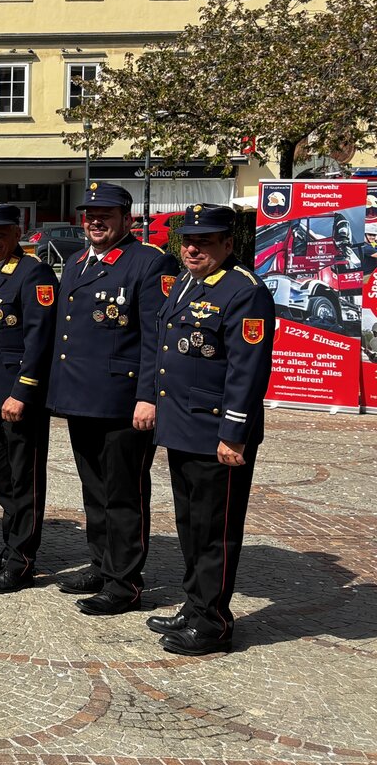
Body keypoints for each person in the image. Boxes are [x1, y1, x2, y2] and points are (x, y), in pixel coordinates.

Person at [47, 182, 180, 617]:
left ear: (127, 219)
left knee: (124, 493)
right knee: (93, 490)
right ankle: (102, 564)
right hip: (82, 398)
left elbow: (155, 339)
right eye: (89, 215)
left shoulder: (149, 262)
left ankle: (125, 583)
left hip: (123, 402)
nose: (96, 221)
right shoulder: (77, 262)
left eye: (105, 214)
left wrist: (148, 397)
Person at [150, 204, 275, 655]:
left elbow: (247, 369)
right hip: (182, 425)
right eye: (188, 241)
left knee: (216, 530)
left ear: (227, 244)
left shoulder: (245, 291)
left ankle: (214, 622)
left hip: (216, 432)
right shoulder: (187, 283)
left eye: (204, 242)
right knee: (190, 525)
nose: (192, 248)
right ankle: (195, 603)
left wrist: (234, 433)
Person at [0, 201, 58, 594]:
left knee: (25, 481)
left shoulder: (33, 273)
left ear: (17, 234)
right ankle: (9, 549)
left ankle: (23, 561)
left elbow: (41, 339)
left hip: (18, 397)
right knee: (4, 480)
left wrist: (23, 391)